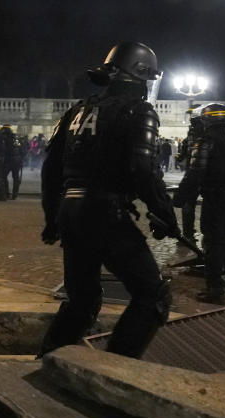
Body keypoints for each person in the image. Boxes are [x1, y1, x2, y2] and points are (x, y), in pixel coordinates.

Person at [37, 42, 178, 359]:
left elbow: (51, 170)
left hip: (70, 211)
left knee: (82, 299)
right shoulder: (138, 111)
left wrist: (51, 218)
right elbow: (143, 169)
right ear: (139, 75)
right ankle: (117, 368)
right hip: (106, 212)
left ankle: (48, 359)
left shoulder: (77, 110)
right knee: (151, 295)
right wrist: (165, 214)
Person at [173, 103, 225, 304]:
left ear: (206, 121)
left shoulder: (206, 142)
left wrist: (179, 198)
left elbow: (195, 173)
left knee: (212, 241)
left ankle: (215, 288)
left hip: (216, 196)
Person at [4, 124, 24, 199]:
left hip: (9, 160)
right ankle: (14, 194)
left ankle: (6, 193)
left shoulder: (5, 138)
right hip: (17, 160)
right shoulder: (16, 138)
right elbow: (21, 149)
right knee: (16, 178)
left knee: (3, 176)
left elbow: (5, 149)